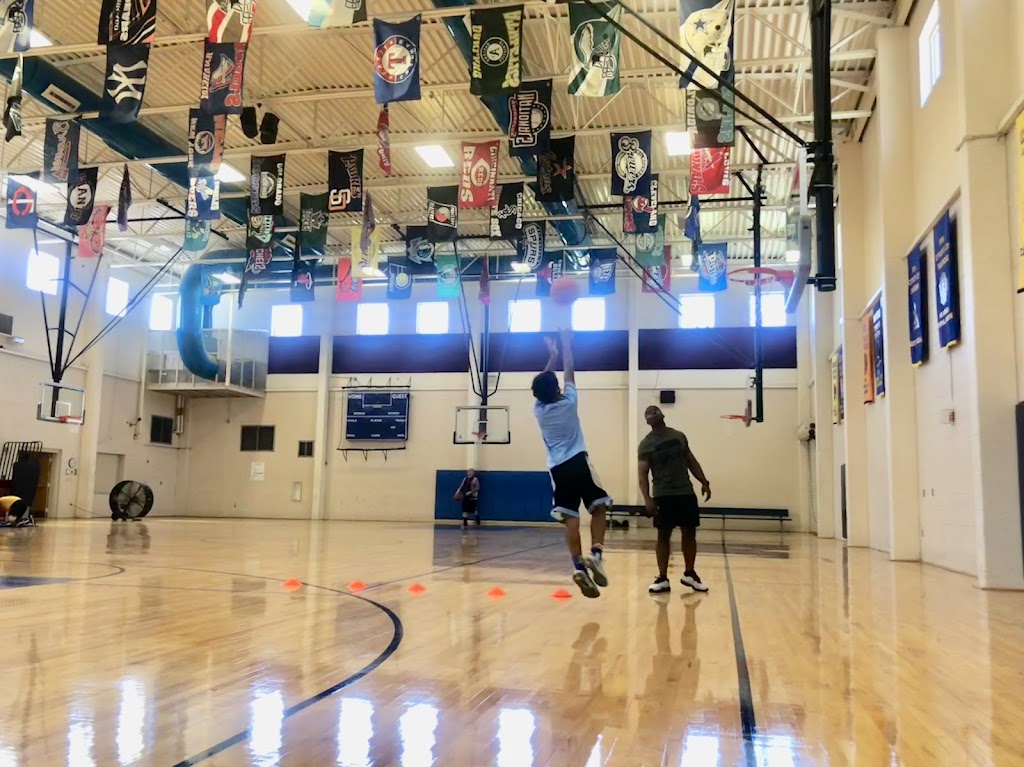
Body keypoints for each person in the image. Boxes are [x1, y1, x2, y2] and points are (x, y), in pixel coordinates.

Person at [532, 329, 611, 598]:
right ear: (556, 390)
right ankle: (597, 554)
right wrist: (565, 345)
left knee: (571, 519)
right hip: (578, 461)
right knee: (599, 508)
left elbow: (545, 382)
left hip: (558, 469)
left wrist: (550, 356)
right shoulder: (569, 402)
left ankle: (578, 566)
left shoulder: (539, 411)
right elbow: (570, 370)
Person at [637, 405, 710, 593]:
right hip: (663, 495)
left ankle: (690, 574)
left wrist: (703, 481)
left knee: (689, 533)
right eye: (650, 415)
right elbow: (642, 475)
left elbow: (691, 460)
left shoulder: (678, 436)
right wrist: (647, 499)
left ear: (662, 416)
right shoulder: (646, 445)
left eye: (656, 413)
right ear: (647, 421)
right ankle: (662, 577)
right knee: (663, 535)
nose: (654, 417)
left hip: (685, 492)